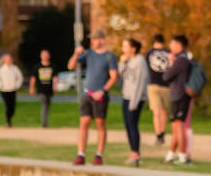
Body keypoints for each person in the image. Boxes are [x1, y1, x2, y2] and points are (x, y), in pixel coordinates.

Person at [67, 30, 119, 166]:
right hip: (86, 94)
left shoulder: (109, 56)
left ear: (102, 40)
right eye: (92, 39)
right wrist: (76, 53)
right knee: (84, 122)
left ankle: (99, 155)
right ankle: (81, 154)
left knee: (100, 124)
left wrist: (102, 91)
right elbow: (71, 66)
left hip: (100, 95)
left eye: (95, 39)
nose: (92, 41)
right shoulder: (88, 54)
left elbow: (114, 77)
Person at [161, 34, 192, 165]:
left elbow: (166, 76)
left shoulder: (181, 60)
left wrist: (170, 63)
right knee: (175, 126)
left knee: (179, 126)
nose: (170, 46)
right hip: (178, 95)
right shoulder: (183, 58)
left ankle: (183, 156)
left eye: (172, 43)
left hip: (180, 95)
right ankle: (170, 155)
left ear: (179, 44)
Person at [119, 38, 148, 167]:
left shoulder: (140, 61)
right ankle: (133, 152)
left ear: (133, 48)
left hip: (135, 98)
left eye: (125, 46)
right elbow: (122, 75)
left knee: (132, 125)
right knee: (128, 126)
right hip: (126, 96)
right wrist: (122, 62)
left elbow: (140, 83)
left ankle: (136, 153)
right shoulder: (128, 61)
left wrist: (134, 102)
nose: (123, 49)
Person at [145, 33, 171, 145]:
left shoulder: (149, 53)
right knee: (163, 111)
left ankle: (159, 135)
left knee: (157, 112)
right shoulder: (169, 53)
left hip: (154, 85)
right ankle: (162, 134)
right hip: (166, 85)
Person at [29, 49, 58, 128]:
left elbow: (55, 77)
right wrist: (31, 88)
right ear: (41, 56)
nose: (45, 56)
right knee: (44, 104)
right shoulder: (37, 67)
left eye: (46, 55)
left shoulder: (52, 66)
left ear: (49, 56)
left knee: (47, 105)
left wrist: (55, 86)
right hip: (41, 89)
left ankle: (45, 121)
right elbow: (33, 78)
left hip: (49, 89)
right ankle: (44, 123)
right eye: (43, 55)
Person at [0, 54, 24, 128]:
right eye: (6, 59)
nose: (8, 61)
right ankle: (8, 121)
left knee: (12, 106)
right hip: (4, 90)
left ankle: (10, 117)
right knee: (7, 105)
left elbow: (20, 78)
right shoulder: (1, 69)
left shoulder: (15, 68)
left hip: (12, 90)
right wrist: (1, 86)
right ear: (4, 61)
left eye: (9, 59)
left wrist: (16, 85)